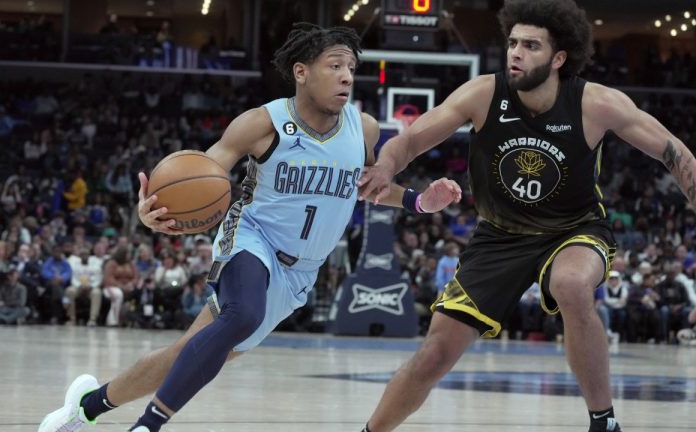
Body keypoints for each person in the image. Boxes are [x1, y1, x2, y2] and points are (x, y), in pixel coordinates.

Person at [38, 23, 461, 432]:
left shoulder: (363, 128)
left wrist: (420, 201)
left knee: (188, 354)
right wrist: (155, 210)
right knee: (243, 314)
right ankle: (147, 426)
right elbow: (200, 172)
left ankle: (87, 406)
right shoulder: (263, 123)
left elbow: (370, 187)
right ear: (302, 71)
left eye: (351, 68)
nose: (346, 76)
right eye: (335, 66)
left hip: (299, 273)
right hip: (252, 238)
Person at [355, 1, 696, 431]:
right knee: (434, 356)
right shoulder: (482, 93)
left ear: (558, 58)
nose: (516, 52)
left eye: (531, 45)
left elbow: (673, 151)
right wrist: (386, 168)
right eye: (513, 42)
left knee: (571, 283)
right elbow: (408, 141)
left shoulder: (596, 103)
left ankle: (603, 421)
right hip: (499, 236)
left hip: (574, 230)